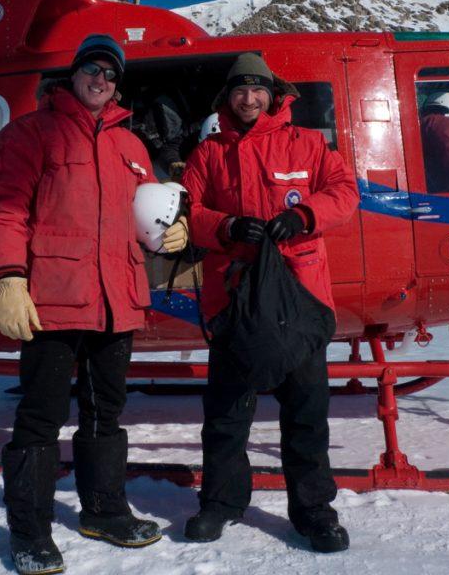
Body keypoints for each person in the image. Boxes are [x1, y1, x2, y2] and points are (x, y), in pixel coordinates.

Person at [0, 34, 188, 575]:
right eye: (92, 69)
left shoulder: (132, 146)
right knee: (39, 418)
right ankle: (29, 533)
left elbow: (147, 211)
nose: (101, 80)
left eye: (111, 74)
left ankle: (104, 512)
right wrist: (9, 279)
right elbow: (3, 211)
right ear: (74, 74)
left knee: (106, 413)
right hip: (52, 299)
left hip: (116, 298)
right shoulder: (30, 133)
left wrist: (168, 232)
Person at [180, 53, 360, 553]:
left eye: (257, 89)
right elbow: (186, 210)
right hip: (235, 299)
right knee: (226, 413)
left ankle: (313, 510)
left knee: (306, 410)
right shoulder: (208, 154)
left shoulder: (307, 143)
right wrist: (225, 226)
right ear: (227, 98)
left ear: (273, 94)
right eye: (240, 90)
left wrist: (305, 216)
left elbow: (345, 191)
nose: (249, 98)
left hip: (298, 300)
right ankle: (220, 503)